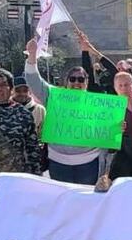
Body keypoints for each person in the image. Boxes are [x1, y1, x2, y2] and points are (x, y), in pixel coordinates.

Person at [24, 39, 102, 185]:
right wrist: (32, 55)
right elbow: (33, 80)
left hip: (89, 163)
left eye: (80, 79)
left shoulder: (98, 103)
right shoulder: (54, 96)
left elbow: (108, 125)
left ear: (86, 82)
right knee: (62, 203)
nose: (76, 83)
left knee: (84, 202)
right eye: (72, 79)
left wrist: (117, 127)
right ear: (67, 81)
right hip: (58, 162)